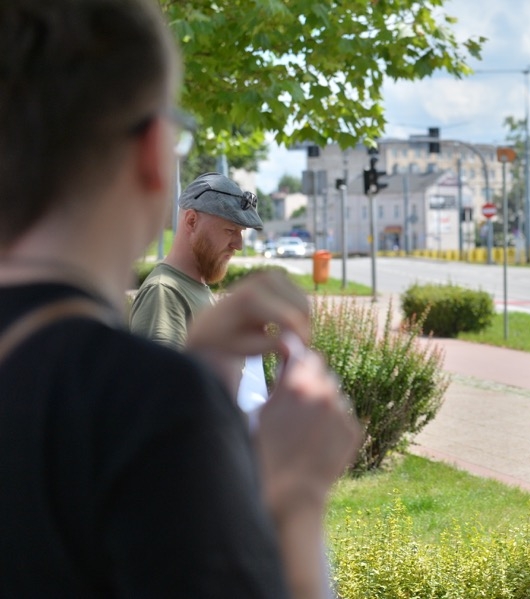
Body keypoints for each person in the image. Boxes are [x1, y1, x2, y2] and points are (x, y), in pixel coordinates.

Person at [0, 1, 361, 597]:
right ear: (151, 154)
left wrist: (201, 369)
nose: (236, 240)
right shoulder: (143, 403)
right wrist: (292, 498)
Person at [130, 171, 263, 349]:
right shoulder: (164, 293)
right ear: (192, 221)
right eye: (230, 230)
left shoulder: (191, 286)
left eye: (241, 232)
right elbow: (161, 377)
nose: (238, 245)